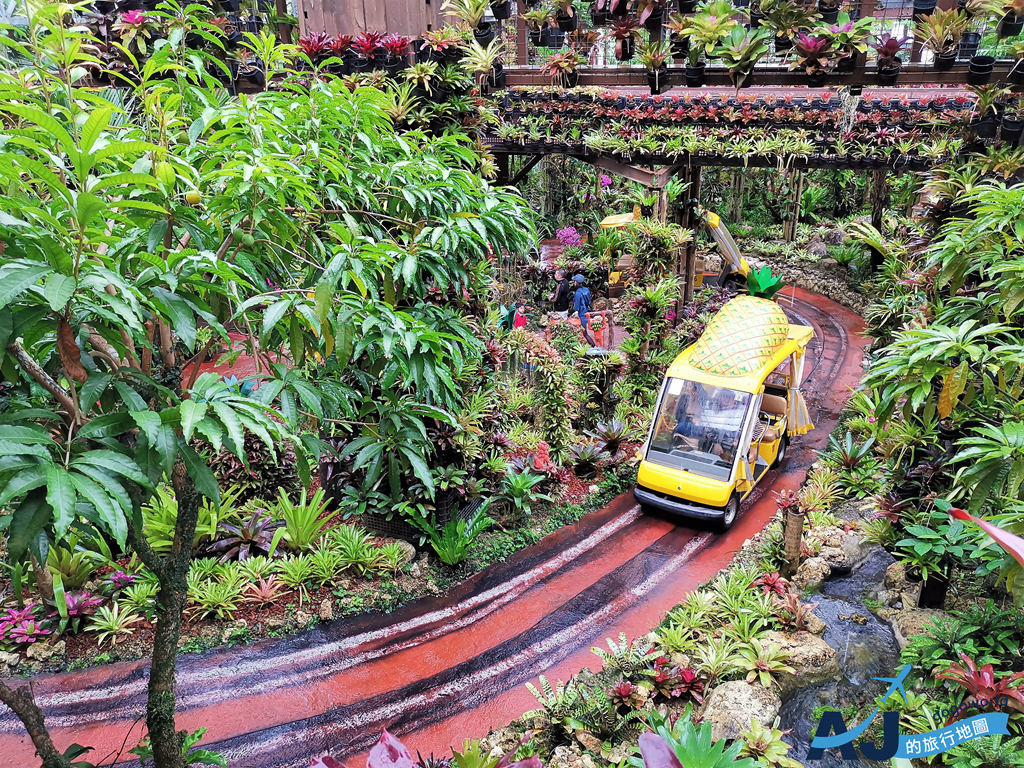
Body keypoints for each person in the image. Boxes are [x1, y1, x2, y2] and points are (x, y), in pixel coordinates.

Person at [572, 274, 596, 347]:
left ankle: (593, 345)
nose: (573, 283)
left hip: (581, 314)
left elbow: (576, 307)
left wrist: (575, 314)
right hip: (586, 312)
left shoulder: (578, 293)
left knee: (584, 332)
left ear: (576, 282)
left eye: (574, 281)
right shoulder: (586, 290)